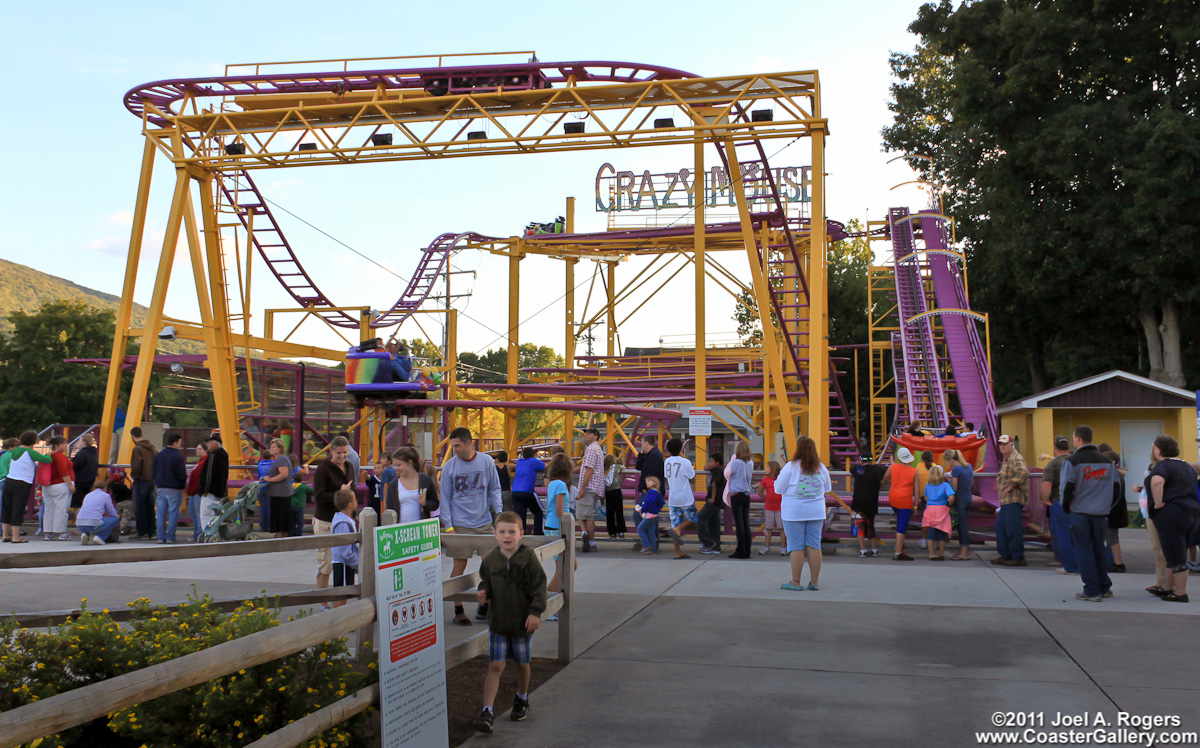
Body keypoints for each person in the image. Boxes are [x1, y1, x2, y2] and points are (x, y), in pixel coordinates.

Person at [473, 510, 547, 734]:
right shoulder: (492, 559)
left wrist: (535, 612)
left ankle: (522, 697)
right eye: (502, 532)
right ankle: (487, 711)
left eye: (512, 532)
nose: (507, 536)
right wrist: (483, 591)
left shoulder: (528, 558)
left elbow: (539, 587)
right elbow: (485, 580)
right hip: (499, 623)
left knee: (521, 663)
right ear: (495, 535)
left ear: (521, 534)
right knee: (496, 664)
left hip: (522, 623)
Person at [440, 427, 503, 625]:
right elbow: (446, 498)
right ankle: (458, 609)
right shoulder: (450, 467)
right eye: (452, 446)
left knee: (491, 565)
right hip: (459, 524)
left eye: (457, 445)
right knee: (459, 565)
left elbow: (494, 488)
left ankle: (486, 602)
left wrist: (499, 513)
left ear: (469, 443)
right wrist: (449, 526)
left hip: (483, 522)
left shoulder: (485, 462)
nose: (455, 450)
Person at [1058, 426, 1120, 601]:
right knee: (1099, 549)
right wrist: (1107, 506)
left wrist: (1067, 508)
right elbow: (1117, 489)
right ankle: (1104, 586)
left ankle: (1092, 590)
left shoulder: (1072, 461)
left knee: (1084, 551)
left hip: (1079, 513)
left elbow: (1066, 488)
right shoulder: (1107, 462)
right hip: (1101, 514)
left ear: (1077, 439)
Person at [1145, 435, 1200, 603]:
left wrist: (1159, 502)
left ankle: (1180, 592)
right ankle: (1168, 588)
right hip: (1191, 511)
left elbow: (1156, 482)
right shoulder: (1184, 465)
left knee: (1175, 554)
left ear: (1157, 450)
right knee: (1174, 551)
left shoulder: (1163, 466)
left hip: (1172, 513)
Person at [776, 436, 835, 591]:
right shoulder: (821, 467)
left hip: (793, 512)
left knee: (796, 547)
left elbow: (777, 488)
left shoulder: (790, 467)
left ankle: (795, 582)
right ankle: (814, 582)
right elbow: (828, 488)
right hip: (816, 511)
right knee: (814, 546)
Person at [313, 436, 355, 599]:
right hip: (326, 520)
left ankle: (342, 599)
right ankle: (323, 603)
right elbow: (318, 496)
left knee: (345, 563)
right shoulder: (323, 469)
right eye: (339, 453)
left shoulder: (350, 466)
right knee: (326, 564)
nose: (342, 456)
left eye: (345, 452)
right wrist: (339, 492)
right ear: (331, 451)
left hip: (345, 521)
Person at [2, 431, 52, 543]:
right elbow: (47, 460)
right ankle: (16, 537)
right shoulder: (30, 452)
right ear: (34, 442)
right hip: (22, 483)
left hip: (9, 481)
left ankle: (5, 535)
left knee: (7, 508)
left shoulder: (15, 450)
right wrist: (47, 454)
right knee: (18, 509)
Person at [542, 453, 575, 616]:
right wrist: (570, 520)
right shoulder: (561, 485)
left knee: (564, 567)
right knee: (564, 568)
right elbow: (561, 510)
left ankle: (545, 598)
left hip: (551, 525)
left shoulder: (552, 484)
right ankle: (550, 604)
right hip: (558, 527)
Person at [1041, 436, 1077, 573]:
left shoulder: (1053, 464)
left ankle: (1067, 564)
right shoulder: (1075, 460)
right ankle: (1079, 562)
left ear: (1055, 447)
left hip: (1059, 501)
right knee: (1076, 534)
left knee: (1062, 534)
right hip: (1077, 503)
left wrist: (1046, 499)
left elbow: (1046, 484)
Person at [992, 435, 1029, 566]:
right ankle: (1006, 554)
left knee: (1012, 528)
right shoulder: (1008, 459)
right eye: (1001, 444)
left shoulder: (1015, 458)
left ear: (1012, 445)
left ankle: (1018, 557)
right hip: (1006, 500)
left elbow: (1023, 472)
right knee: (1001, 528)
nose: (1002, 447)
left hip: (1013, 499)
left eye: (1005, 444)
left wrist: (1011, 485)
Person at [662, 437, 697, 559]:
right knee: (694, 518)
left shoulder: (666, 461)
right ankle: (679, 528)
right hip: (685, 496)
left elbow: (667, 476)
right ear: (681, 448)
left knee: (674, 523)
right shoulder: (685, 462)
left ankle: (677, 551)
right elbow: (692, 477)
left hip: (673, 497)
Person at [882, 447, 919, 561]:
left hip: (893, 498)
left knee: (900, 521)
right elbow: (917, 492)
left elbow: (885, 477)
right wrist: (915, 506)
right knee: (901, 527)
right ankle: (898, 552)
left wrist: (893, 481)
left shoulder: (893, 467)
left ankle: (900, 547)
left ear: (899, 458)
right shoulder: (914, 472)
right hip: (905, 500)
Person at [152, 433, 188, 544]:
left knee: (161, 514)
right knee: (173, 514)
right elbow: (182, 474)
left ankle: (161, 537)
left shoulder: (160, 455)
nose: (179, 445)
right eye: (179, 443)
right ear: (175, 443)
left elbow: (154, 471)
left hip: (161, 487)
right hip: (174, 488)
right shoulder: (178, 456)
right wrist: (182, 486)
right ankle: (171, 537)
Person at [633, 435, 665, 552]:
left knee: (638, 514)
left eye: (642, 442)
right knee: (650, 520)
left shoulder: (655, 456)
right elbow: (638, 467)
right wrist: (641, 455)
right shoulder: (651, 455)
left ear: (647, 443)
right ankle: (652, 544)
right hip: (649, 492)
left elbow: (652, 475)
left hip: (649, 493)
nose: (641, 445)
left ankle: (647, 543)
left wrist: (650, 488)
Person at [330, 489, 360, 609]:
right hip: (343, 562)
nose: (356, 501)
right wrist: (356, 562)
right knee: (342, 594)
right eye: (355, 500)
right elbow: (344, 550)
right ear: (350, 504)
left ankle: (337, 620)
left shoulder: (344, 520)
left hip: (347, 563)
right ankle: (336, 620)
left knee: (345, 593)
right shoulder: (343, 523)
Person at [849, 461, 887, 558]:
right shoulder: (878, 469)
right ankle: (874, 549)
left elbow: (852, 468)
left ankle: (863, 550)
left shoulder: (858, 469)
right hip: (871, 503)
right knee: (870, 526)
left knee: (860, 527)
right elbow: (884, 469)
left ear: (862, 460)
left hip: (858, 504)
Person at [576, 429, 605, 553]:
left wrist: (582, 487)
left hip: (589, 487)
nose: (586, 436)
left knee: (585, 515)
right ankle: (587, 537)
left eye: (589, 434)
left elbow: (589, 470)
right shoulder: (597, 449)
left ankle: (590, 540)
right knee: (585, 514)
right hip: (595, 487)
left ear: (595, 436)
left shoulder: (591, 450)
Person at [943, 449, 975, 560]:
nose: (949, 464)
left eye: (948, 462)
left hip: (960, 500)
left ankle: (963, 553)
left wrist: (948, 479)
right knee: (963, 525)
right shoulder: (969, 466)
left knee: (962, 527)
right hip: (968, 498)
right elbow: (971, 483)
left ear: (950, 459)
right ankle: (963, 551)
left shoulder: (956, 469)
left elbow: (954, 488)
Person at [42, 437, 75, 541]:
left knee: (49, 509)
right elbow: (63, 472)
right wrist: (70, 485)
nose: (65, 446)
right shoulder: (60, 456)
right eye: (63, 444)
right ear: (56, 445)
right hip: (61, 485)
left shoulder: (48, 456)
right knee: (61, 508)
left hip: (48, 485)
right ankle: (61, 532)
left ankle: (48, 532)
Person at [1100, 449, 1128, 573]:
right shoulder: (1119, 474)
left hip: (1112, 512)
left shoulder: (1112, 475)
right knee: (1112, 538)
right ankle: (1116, 561)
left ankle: (1117, 563)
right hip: (1117, 511)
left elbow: (1112, 494)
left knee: (1111, 538)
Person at [197, 436, 230, 539]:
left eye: (209, 442)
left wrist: (204, 489)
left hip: (210, 491)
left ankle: (209, 535)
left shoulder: (213, 455)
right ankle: (215, 535)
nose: (207, 445)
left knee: (206, 514)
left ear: (216, 444)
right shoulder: (224, 456)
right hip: (219, 492)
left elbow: (209, 474)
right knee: (215, 516)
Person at [389, 446, 433, 523]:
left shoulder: (426, 481)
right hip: (400, 530)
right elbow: (390, 508)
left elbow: (435, 504)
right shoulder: (393, 484)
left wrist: (425, 503)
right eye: (395, 465)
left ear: (409, 463)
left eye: (399, 465)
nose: (396, 468)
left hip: (421, 529)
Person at [128, 427, 158, 540]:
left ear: (132, 436)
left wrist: (135, 476)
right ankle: (152, 532)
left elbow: (136, 466)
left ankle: (142, 532)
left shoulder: (137, 449)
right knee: (150, 506)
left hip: (141, 481)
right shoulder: (152, 448)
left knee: (139, 507)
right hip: (151, 481)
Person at [261, 439, 294, 538]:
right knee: (283, 517)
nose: (271, 449)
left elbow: (284, 474)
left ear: (280, 448)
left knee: (279, 517)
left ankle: (279, 537)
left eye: (274, 447)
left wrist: (270, 479)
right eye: (270, 447)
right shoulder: (283, 458)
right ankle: (282, 536)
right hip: (281, 493)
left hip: (280, 494)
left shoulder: (281, 459)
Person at [727, 441, 754, 559]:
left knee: (739, 524)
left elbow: (727, 474)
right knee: (745, 523)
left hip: (736, 494)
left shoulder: (737, 462)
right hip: (746, 494)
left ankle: (740, 550)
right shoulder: (750, 463)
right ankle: (747, 549)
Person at [920, 465, 954, 560]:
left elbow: (925, 497)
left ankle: (931, 554)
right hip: (942, 510)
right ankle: (941, 554)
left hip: (930, 510)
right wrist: (948, 504)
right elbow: (951, 498)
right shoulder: (945, 485)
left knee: (930, 533)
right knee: (941, 534)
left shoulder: (928, 485)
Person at [510, 447, 546, 535]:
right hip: (527, 491)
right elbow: (546, 467)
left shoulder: (519, 462)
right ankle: (538, 532)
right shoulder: (533, 461)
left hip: (515, 491)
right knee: (538, 511)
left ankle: (521, 534)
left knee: (521, 515)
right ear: (533, 454)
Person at [696, 452, 726, 555]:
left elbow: (714, 484)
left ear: (717, 462)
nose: (709, 463)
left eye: (711, 461)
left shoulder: (717, 470)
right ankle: (716, 545)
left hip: (714, 501)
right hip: (718, 501)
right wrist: (708, 468)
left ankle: (708, 543)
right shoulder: (717, 470)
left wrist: (712, 498)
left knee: (701, 518)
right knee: (714, 523)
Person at [758, 461, 785, 555]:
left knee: (782, 528)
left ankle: (784, 547)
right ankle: (767, 546)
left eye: (767, 467)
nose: (766, 469)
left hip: (780, 507)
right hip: (769, 507)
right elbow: (760, 491)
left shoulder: (780, 479)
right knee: (768, 528)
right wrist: (767, 499)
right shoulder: (765, 480)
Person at [70, 433, 100, 517]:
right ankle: (83, 524)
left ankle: (79, 525)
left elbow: (73, 466)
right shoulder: (94, 453)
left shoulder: (82, 453)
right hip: (90, 481)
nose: (78, 444)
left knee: (77, 505)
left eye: (80, 441)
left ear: (84, 442)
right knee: (84, 503)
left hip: (80, 481)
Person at [635, 477, 665, 555]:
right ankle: (653, 550)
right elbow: (662, 502)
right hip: (655, 514)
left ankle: (647, 545)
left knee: (640, 529)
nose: (647, 483)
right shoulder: (657, 492)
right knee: (651, 532)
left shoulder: (651, 493)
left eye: (649, 481)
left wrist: (642, 509)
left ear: (654, 483)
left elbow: (648, 503)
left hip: (650, 515)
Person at [186, 443, 208, 542]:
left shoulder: (204, 462)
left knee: (198, 513)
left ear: (205, 450)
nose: (197, 450)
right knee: (192, 511)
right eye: (197, 448)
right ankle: (197, 532)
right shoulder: (200, 461)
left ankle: (199, 533)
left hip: (198, 491)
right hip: (194, 491)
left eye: (200, 449)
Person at [603, 454, 626, 539]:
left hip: (608, 492)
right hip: (616, 491)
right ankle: (621, 531)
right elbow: (624, 467)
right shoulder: (616, 467)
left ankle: (612, 533)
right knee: (619, 512)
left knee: (610, 513)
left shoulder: (603, 470)